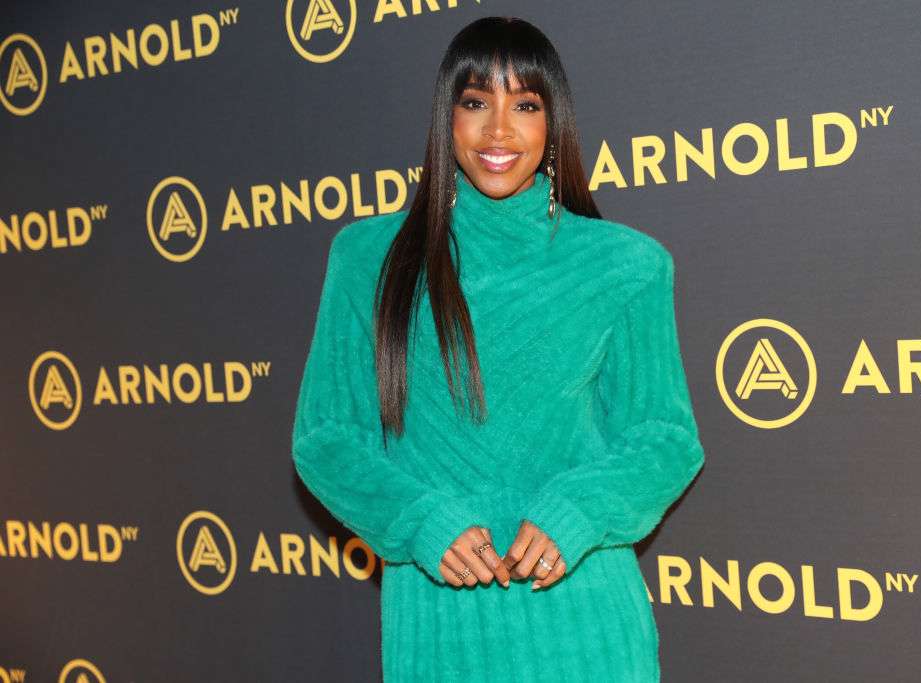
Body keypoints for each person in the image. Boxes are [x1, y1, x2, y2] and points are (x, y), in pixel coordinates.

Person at [291, 15, 706, 682]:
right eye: (477, 101)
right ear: (447, 117)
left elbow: (664, 437)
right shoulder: (368, 258)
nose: (499, 131)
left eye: (526, 105)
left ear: (554, 121)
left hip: (587, 628)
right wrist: (420, 520)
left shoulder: (626, 264)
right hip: (438, 630)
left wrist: (579, 509)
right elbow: (326, 437)